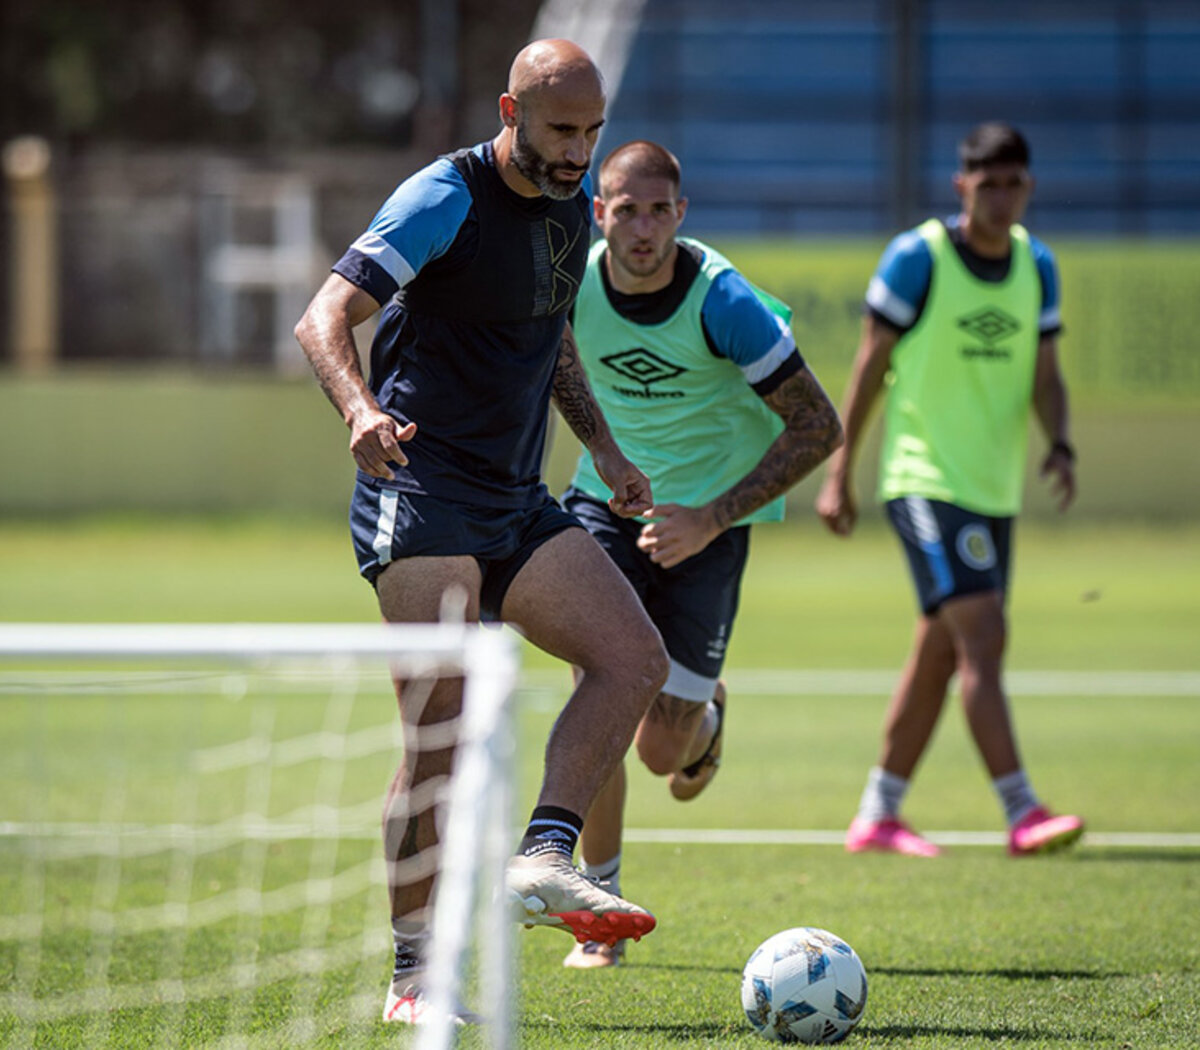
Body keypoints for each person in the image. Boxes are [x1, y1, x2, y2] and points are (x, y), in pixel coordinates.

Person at [294, 40, 670, 1024]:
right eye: (561, 131)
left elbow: (550, 340)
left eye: (592, 132)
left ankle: (545, 855)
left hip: (512, 499)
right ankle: (414, 978)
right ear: (511, 110)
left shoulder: (563, 201)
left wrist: (609, 451)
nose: (580, 152)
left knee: (632, 657)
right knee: (442, 739)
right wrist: (357, 411)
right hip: (418, 490)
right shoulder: (442, 196)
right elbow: (324, 316)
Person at [558, 140, 844, 968]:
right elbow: (549, 371)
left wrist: (711, 518)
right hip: (603, 507)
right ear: (598, 212)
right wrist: (605, 456)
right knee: (597, 696)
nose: (641, 227)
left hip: (709, 527)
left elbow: (819, 426)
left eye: (658, 210)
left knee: (661, 753)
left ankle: (704, 717)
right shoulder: (570, 286)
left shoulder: (723, 301)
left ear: (680, 215)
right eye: (624, 209)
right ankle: (599, 909)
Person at [814, 122, 1085, 859]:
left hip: (992, 491)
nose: (1001, 196)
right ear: (963, 186)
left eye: (1014, 183)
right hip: (924, 480)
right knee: (985, 638)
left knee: (940, 651)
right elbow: (871, 364)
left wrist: (1057, 441)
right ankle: (1022, 809)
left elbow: (1045, 372)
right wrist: (841, 472)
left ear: (1029, 186)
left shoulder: (1039, 266)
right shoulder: (919, 258)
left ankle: (878, 813)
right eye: (987, 183)